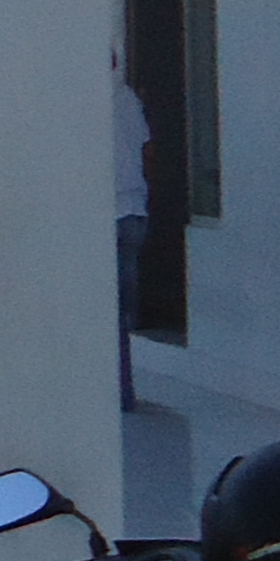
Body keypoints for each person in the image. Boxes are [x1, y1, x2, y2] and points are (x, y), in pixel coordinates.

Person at [114, 56, 152, 413]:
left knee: (105, 312)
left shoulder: (81, 100)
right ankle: (124, 393)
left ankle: (116, 393)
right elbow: (144, 147)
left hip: (104, 215)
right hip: (133, 212)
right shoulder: (126, 97)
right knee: (122, 312)